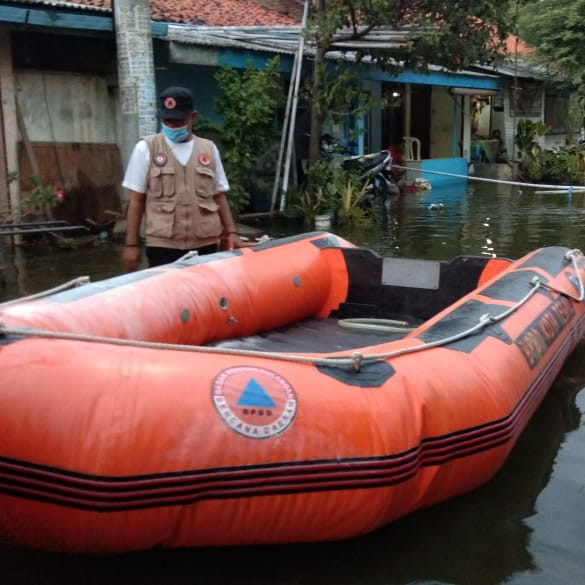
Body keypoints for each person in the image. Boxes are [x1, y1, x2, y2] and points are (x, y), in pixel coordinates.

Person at [121, 86, 250, 271]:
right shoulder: (146, 148)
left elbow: (218, 195)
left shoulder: (208, 149)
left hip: (205, 242)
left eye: (179, 121)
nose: (172, 126)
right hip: (163, 244)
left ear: (193, 117)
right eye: (167, 121)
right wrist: (131, 245)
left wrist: (231, 232)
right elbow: (136, 200)